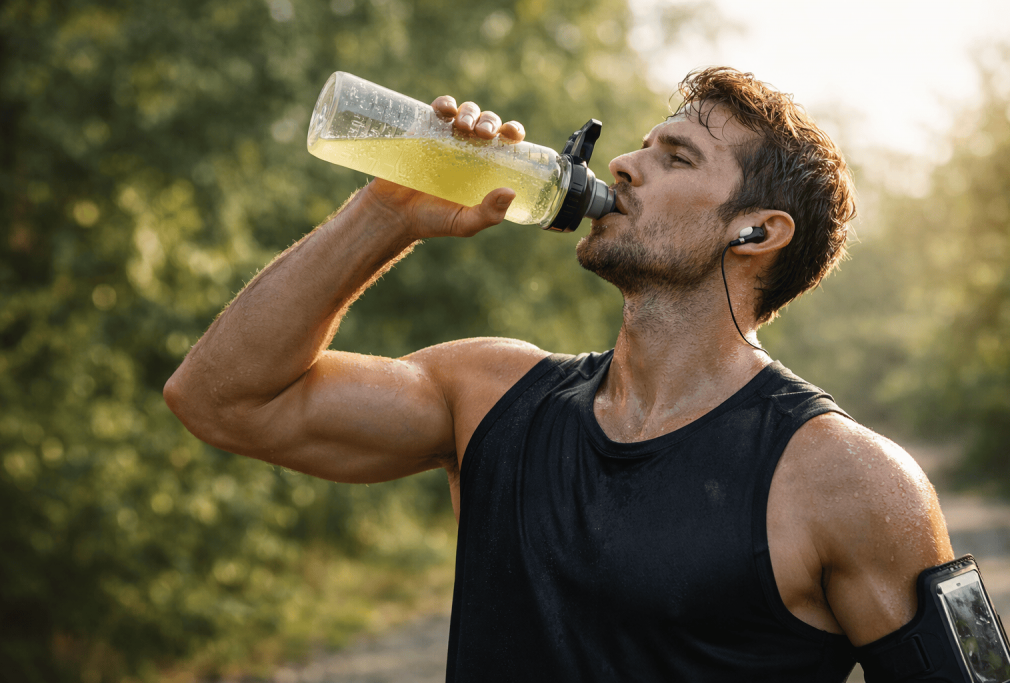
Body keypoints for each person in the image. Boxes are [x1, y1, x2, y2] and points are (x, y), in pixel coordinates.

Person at [165, 67, 958, 681]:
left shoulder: (850, 479)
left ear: (756, 231)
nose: (623, 164)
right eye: (640, 145)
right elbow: (220, 399)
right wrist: (387, 211)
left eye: (675, 156)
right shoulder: (490, 394)